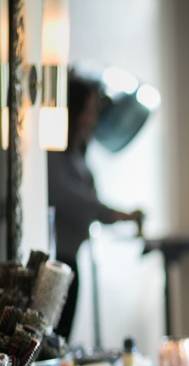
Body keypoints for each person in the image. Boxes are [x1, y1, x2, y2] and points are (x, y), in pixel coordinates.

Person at [47, 72, 143, 341]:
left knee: (63, 338)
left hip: (71, 259)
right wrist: (111, 212)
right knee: (57, 339)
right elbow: (66, 196)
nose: (92, 119)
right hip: (58, 263)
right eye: (88, 111)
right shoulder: (53, 154)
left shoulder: (76, 154)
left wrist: (113, 215)